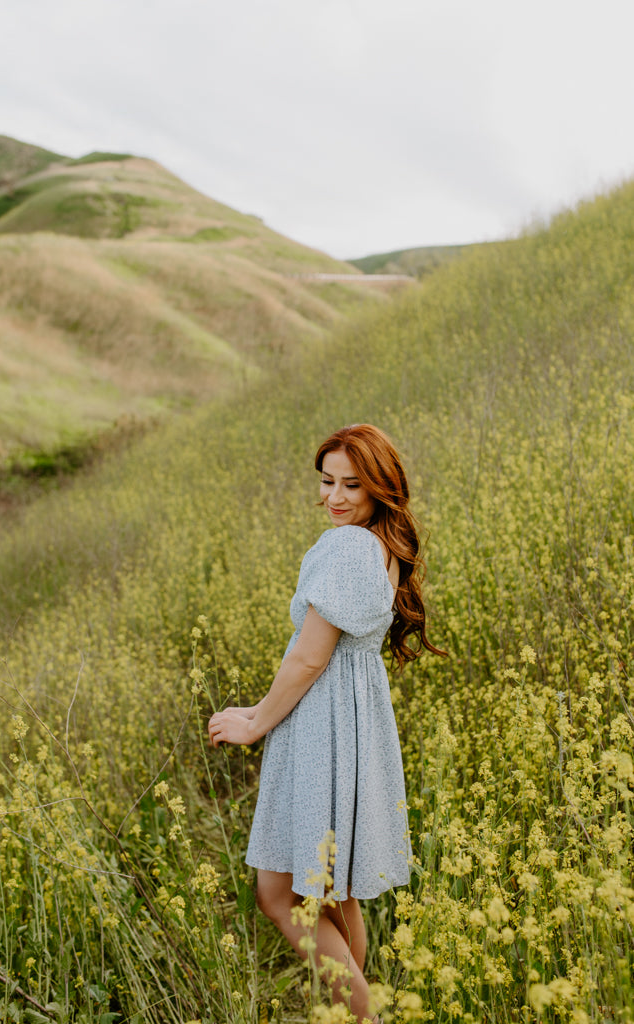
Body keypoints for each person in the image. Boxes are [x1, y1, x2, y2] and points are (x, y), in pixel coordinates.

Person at [208, 423, 445, 1023]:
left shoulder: (345, 547)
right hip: (357, 724)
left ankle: (366, 1017)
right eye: (327, 482)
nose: (335, 497)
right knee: (334, 898)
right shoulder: (381, 547)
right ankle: (355, 1009)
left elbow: (311, 655)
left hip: (321, 725)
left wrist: (255, 721)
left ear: (379, 488)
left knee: (281, 895)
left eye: (351, 485)